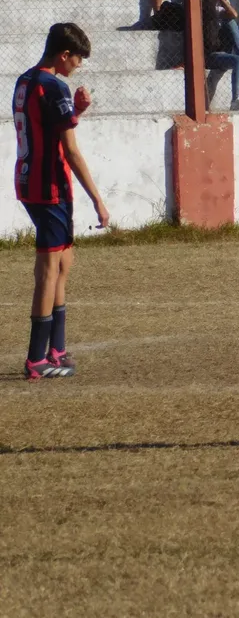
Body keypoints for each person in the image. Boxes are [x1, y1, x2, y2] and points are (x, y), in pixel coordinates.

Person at [13, 23, 109, 380]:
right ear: (63, 54)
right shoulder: (54, 85)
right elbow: (70, 150)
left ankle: (56, 348)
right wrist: (98, 199)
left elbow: (49, 128)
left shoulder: (25, 80)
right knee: (49, 271)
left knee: (64, 262)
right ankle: (37, 359)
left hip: (30, 179)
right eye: (77, 59)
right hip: (48, 184)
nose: (79, 66)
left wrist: (76, 112)